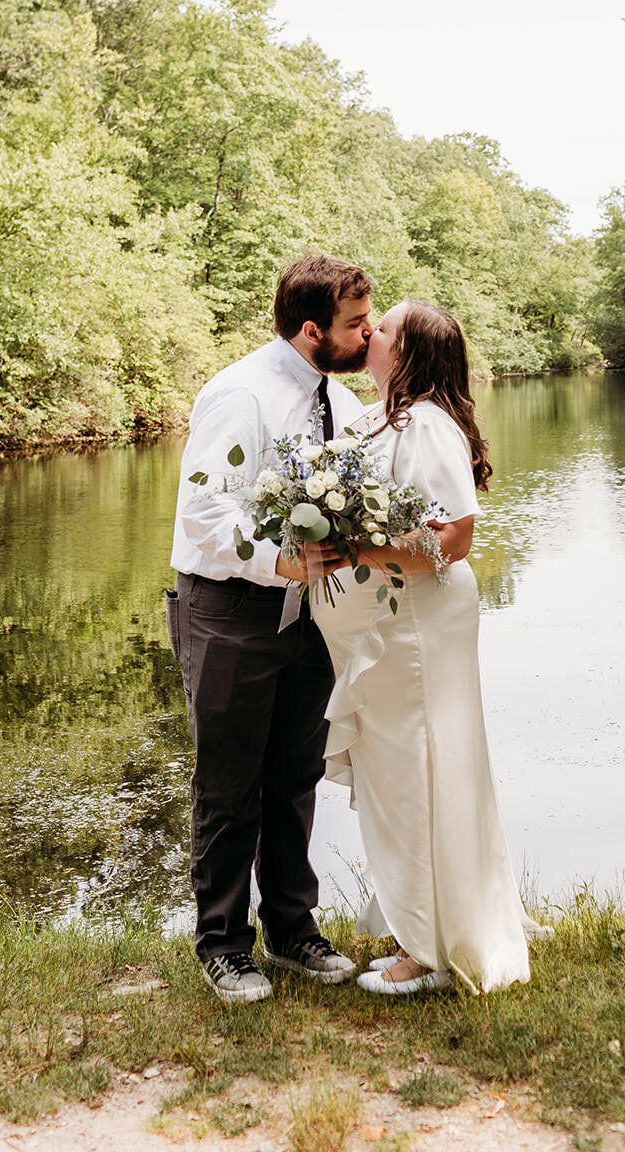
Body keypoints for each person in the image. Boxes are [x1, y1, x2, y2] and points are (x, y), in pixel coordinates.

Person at [310, 299, 551, 996]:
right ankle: (429, 918)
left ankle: (427, 950)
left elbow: (451, 540)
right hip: (393, 625)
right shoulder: (386, 416)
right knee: (408, 769)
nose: (368, 332)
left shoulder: (425, 425)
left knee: (416, 770)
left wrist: (352, 547)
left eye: (380, 327)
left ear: (408, 351)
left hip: (414, 627)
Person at [168, 254, 374, 1004]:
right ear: (313, 328)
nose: (367, 334)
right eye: (356, 324)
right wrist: (281, 560)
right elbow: (204, 512)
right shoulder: (238, 394)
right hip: (230, 611)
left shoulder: (342, 403)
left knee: (295, 776)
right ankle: (223, 945)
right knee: (228, 785)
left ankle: (291, 930)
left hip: (313, 617)